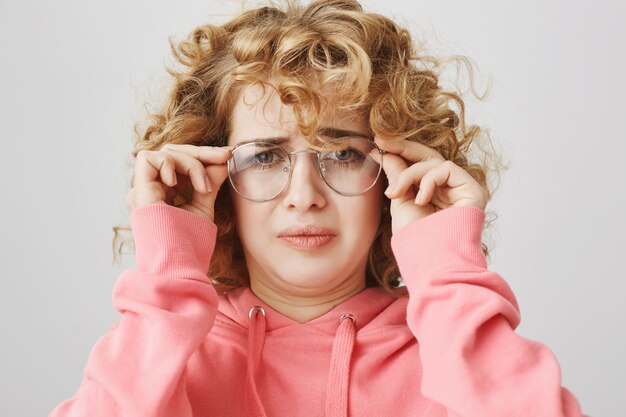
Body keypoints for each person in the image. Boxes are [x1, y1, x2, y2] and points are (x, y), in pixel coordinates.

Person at [49, 0, 588, 416]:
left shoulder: (450, 345)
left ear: (391, 175)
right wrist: (167, 273)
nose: (304, 194)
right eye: (264, 156)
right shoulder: (166, 349)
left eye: (343, 154)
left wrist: (447, 271)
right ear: (218, 184)